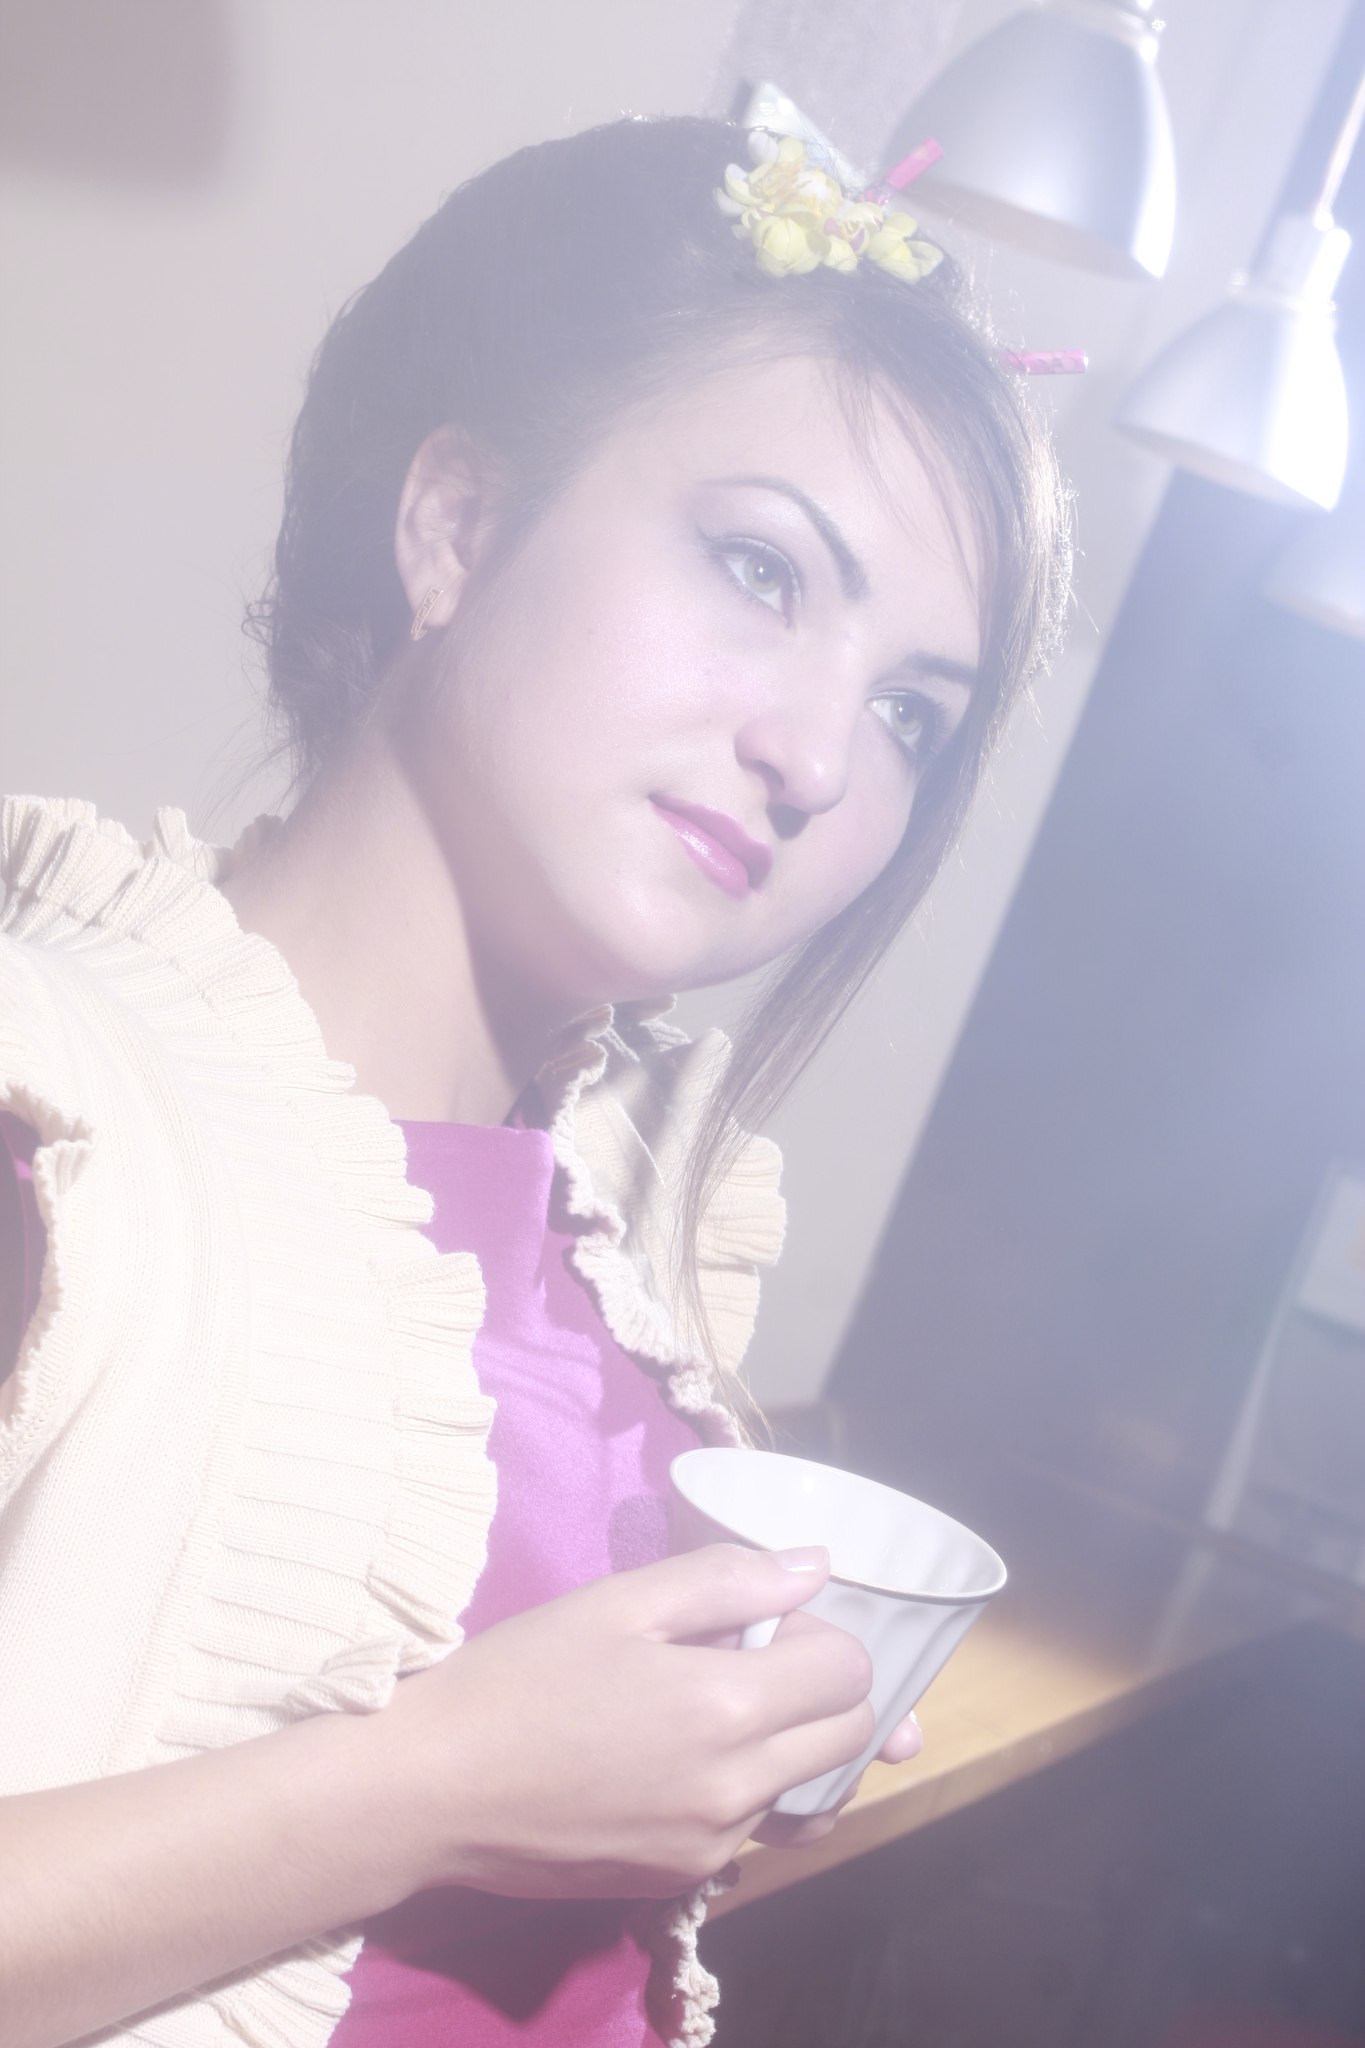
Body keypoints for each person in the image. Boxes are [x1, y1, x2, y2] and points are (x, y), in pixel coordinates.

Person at [0, 114, 1068, 2048]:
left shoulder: (624, 1221)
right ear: (455, 525)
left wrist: (696, 1751)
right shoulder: (58, 1119)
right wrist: (439, 1788)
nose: (823, 757)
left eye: (914, 711)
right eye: (757, 566)